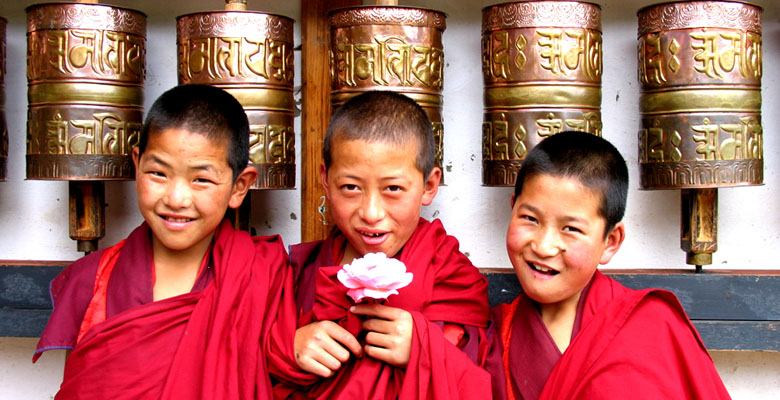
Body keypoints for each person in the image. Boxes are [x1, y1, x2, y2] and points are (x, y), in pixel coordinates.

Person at [33, 84, 293, 399]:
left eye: (201, 179)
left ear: (240, 186)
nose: (176, 198)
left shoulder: (261, 275)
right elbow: (83, 386)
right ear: (136, 164)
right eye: (158, 173)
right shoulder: (91, 279)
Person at [269, 91, 491, 399]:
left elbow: (480, 381)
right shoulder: (296, 275)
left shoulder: (453, 279)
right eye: (350, 187)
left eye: (393, 189)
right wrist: (287, 348)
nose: (371, 213)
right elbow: (247, 359)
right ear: (325, 179)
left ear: (429, 186)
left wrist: (424, 349)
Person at [480, 131, 730, 399]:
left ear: (611, 241)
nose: (543, 246)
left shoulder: (652, 326)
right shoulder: (490, 338)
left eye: (571, 229)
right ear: (512, 209)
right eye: (530, 218)